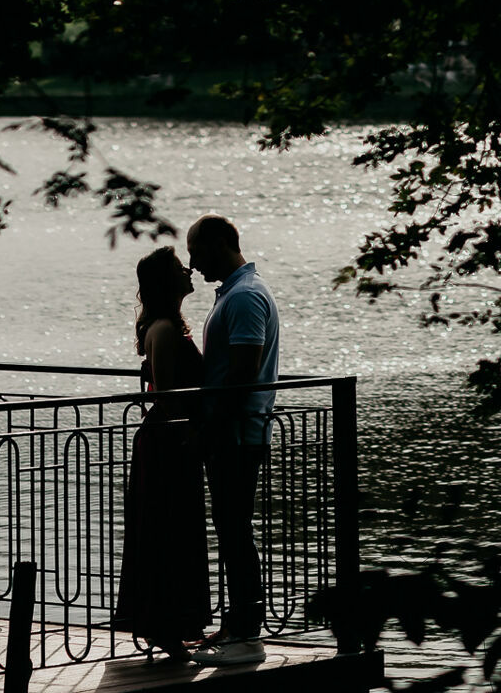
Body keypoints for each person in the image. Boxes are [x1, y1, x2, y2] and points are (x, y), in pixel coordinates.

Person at [185, 214, 281, 667]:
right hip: (235, 432)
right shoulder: (236, 294)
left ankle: (246, 635)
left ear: (221, 243)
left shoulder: (244, 298)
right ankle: (236, 626)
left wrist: (210, 430)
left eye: (197, 251)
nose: (192, 263)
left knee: (235, 531)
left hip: (237, 435)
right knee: (230, 530)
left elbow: (242, 374)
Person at [112, 247, 211, 662]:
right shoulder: (166, 329)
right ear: (166, 282)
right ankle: (167, 626)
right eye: (178, 267)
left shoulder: (164, 325)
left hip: (166, 439)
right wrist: (195, 432)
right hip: (169, 441)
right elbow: (169, 397)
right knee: (169, 528)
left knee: (168, 528)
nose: (188, 270)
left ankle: (171, 624)